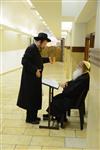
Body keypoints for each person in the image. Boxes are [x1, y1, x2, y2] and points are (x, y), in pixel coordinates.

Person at [17, 32, 54, 124]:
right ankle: (29, 119)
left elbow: (37, 60)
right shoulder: (31, 48)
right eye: (45, 43)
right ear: (40, 41)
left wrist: (47, 59)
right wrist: (35, 70)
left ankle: (34, 116)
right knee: (31, 98)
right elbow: (24, 61)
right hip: (30, 79)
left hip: (35, 79)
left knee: (35, 97)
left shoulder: (36, 49)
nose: (45, 45)